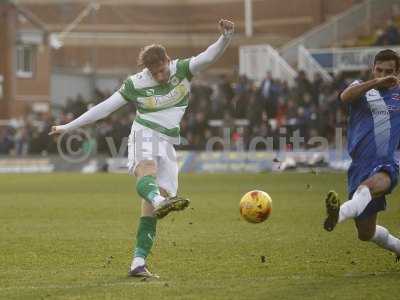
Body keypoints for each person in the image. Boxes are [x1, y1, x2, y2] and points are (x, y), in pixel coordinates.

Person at [49, 19, 235, 278]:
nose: (159, 76)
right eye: (154, 73)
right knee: (145, 174)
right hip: (144, 132)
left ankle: (138, 262)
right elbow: (104, 108)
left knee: (151, 207)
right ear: (147, 70)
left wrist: (226, 37)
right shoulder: (136, 83)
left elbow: (208, 56)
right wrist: (68, 126)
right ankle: (160, 200)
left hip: (168, 141)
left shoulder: (182, 69)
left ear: (167, 60)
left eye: (161, 70)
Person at [323, 49, 400, 260]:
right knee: (366, 233)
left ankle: (337, 214)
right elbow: (344, 96)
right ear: (373, 69)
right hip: (359, 166)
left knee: (367, 187)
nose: (383, 74)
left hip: (387, 163)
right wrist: (377, 82)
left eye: (389, 71)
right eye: (379, 70)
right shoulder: (361, 88)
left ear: (397, 72)